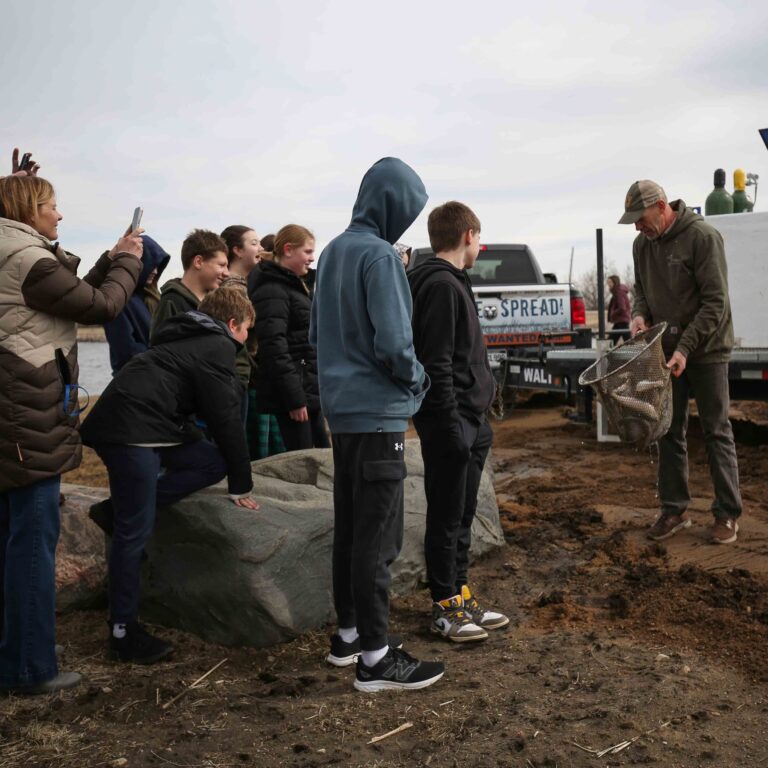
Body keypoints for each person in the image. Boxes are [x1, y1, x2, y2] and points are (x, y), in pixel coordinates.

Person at [0, 174, 142, 693]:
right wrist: (130, 260)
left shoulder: (16, 254)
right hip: (28, 420)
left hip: (13, 417)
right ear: (27, 208)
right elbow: (101, 306)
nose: (59, 216)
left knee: (12, 541)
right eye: (52, 206)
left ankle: (16, 652)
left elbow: (74, 293)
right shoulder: (25, 258)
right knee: (34, 544)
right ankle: (32, 668)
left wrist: (109, 258)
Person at [310, 157, 444, 692]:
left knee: (351, 525)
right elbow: (394, 344)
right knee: (378, 538)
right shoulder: (380, 257)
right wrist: (416, 381)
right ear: (395, 206)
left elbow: (318, 338)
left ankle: (348, 636)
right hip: (378, 415)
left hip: (341, 415)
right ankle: (376, 659)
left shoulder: (333, 251)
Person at [80, 287, 259, 663]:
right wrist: (242, 484)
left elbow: (182, 402)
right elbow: (225, 418)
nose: (245, 340)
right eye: (245, 331)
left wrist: (229, 467)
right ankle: (123, 631)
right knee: (134, 531)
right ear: (231, 324)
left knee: (210, 462)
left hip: (146, 425)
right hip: (133, 434)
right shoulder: (218, 345)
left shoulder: (187, 336)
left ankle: (117, 510)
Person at [619, 179, 742, 544]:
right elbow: (641, 290)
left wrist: (685, 348)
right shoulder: (642, 245)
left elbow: (715, 304)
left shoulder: (703, 238)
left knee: (716, 428)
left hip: (706, 350)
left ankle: (727, 514)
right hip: (666, 350)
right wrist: (640, 315)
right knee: (668, 430)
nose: (637, 226)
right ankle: (674, 509)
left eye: (640, 218)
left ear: (660, 206)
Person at [409, 201, 508, 643]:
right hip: (453, 424)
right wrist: (450, 427)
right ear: (468, 235)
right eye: (480, 237)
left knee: (463, 514)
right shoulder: (440, 286)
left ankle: (462, 596)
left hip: (472, 420)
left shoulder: (453, 282)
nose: (480, 244)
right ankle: (445, 606)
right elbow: (437, 364)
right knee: (447, 516)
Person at [251, 225, 328, 451]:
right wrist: (295, 398)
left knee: (322, 453)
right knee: (304, 457)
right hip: (296, 394)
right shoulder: (273, 289)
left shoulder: (295, 287)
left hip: (306, 387)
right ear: (288, 250)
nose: (312, 258)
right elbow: (274, 347)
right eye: (307, 252)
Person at [104, 235, 170, 373]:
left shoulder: (153, 298)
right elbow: (125, 350)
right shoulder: (120, 299)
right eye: (151, 265)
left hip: (159, 376)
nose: (156, 271)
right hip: (135, 379)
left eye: (158, 267)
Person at [150, 229, 229, 342]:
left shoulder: (219, 303)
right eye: (222, 265)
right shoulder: (171, 302)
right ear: (198, 262)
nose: (227, 273)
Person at [606, 274, 631, 343]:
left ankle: (635, 351)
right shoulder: (616, 292)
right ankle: (608, 352)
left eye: (610, 282)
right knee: (611, 341)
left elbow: (622, 307)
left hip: (622, 320)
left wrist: (612, 313)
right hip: (619, 321)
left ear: (615, 282)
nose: (608, 284)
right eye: (608, 282)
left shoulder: (619, 292)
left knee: (628, 341)